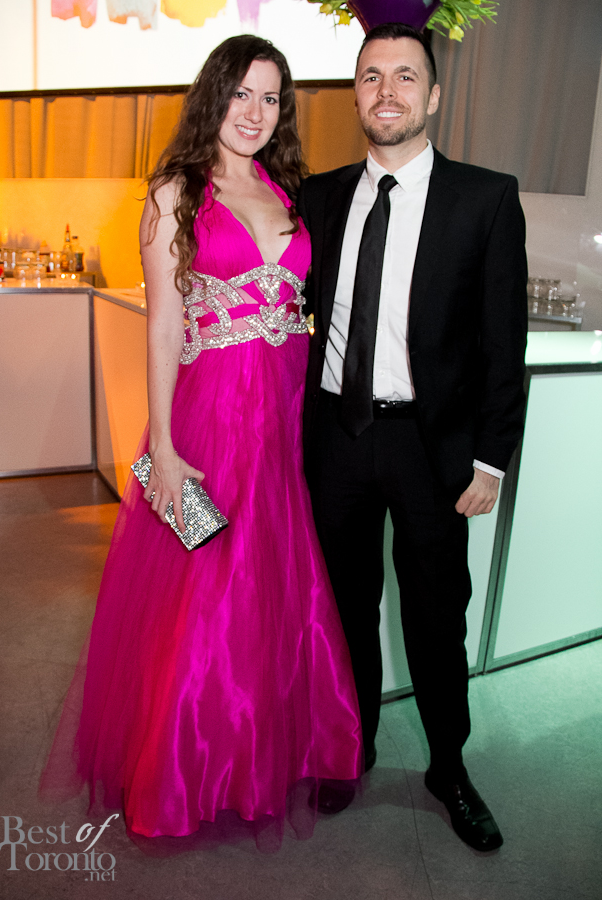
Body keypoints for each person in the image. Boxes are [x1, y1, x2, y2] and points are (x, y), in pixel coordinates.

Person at [40, 35, 362, 845]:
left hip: (289, 412)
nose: (255, 112)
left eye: (271, 98)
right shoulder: (174, 193)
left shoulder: (290, 192)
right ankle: (186, 768)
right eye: (241, 93)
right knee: (207, 594)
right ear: (213, 95)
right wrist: (165, 448)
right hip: (212, 415)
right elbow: (162, 327)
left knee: (279, 583)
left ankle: (262, 750)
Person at [298, 22, 528, 852]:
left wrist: (491, 459)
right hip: (335, 435)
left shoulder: (485, 197)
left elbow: (504, 343)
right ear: (354, 94)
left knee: (436, 616)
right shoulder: (318, 198)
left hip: (432, 449)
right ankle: (349, 746)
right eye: (370, 76)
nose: (386, 90)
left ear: (432, 95)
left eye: (404, 76)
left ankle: (449, 768)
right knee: (343, 607)